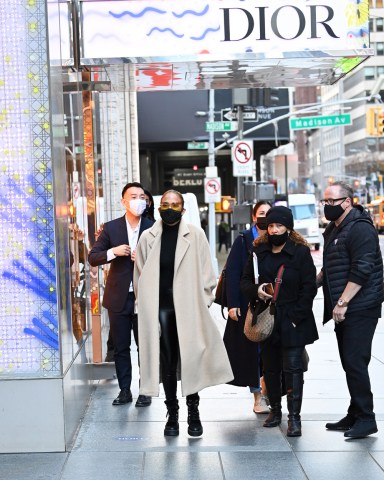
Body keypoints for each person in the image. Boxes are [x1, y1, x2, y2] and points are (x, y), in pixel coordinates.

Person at [134, 189, 233, 437]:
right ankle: (172, 414)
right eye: (165, 204)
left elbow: (208, 273)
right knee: (168, 362)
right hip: (161, 309)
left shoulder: (196, 234)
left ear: (183, 209)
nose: (169, 208)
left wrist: (204, 301)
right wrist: (145, 305)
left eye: (175, 205)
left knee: (191, 360)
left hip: (188, 308)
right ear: (158, 208)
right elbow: (140, 276)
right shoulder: (148, 237)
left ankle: (193, 411)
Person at [241, 206, 318, 437]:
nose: (275, 230)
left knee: (293, 370)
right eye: (272, 225)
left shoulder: (300, 252)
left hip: (293, 319)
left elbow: (309, 287)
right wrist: (258, 290)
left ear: (288, 227)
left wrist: (296, 317)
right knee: (271, 369)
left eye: (280, 226)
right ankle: (276, 410)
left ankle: (295, 418)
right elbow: (244, 282)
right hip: (267, 318)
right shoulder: (258, 251)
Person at [317, 181, 383, 439]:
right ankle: (355, 412)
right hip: (346, 306)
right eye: (324, 201)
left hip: (361, 305)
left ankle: (367, 418)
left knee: (355, 361)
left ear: (347, 202)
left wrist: (342, 303)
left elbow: (362, 269)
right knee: (349, 361)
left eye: (331, 201)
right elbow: (334, 264)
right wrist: (315, 282)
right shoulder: (336, 228)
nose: (327, 206)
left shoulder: (360, 229)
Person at [88, 182, 154, 407]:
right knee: (121, 347)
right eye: (134, 196)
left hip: (144, 298)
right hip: (118, 297)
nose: (139, 200)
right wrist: (112, 252)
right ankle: (125, 390)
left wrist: (144, 259)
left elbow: (165, 260)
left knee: (145, 346)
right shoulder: (111, 228)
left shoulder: (154, 227)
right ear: (123, 201)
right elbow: (93, 257)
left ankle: (145, 390)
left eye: (142, 197)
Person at [224, 200, 271, 414]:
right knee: (253, 350)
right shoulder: (243, 240)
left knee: (271, 351)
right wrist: (233, 304)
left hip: (272, 304)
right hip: (248, 304)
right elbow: (232, 273)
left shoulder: (278, 238)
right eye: (261, 213)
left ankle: (268, 388)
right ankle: (257, 396)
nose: (265, 217)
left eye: (269, 213)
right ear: (254, 217)